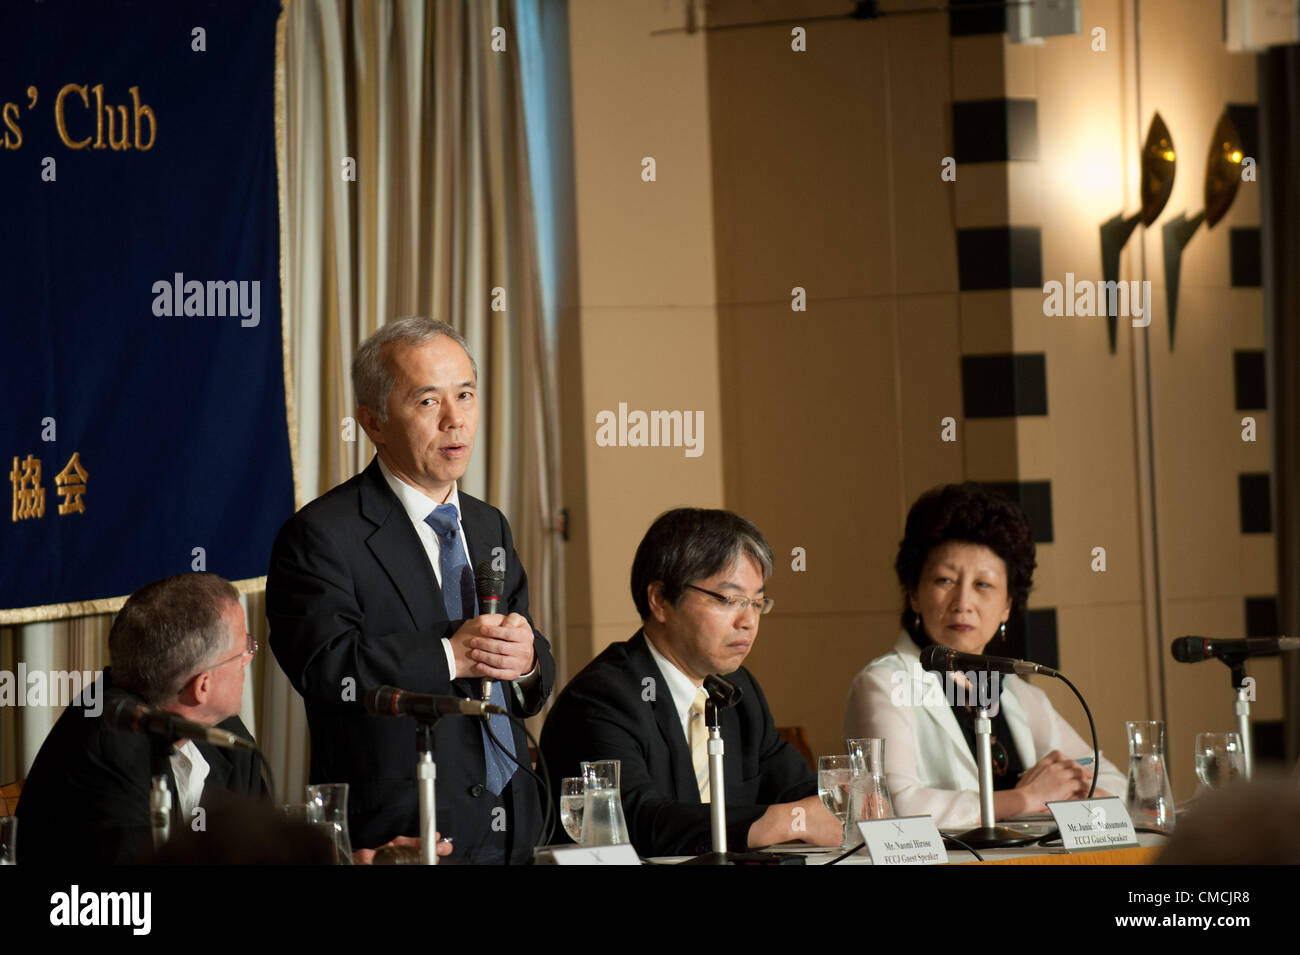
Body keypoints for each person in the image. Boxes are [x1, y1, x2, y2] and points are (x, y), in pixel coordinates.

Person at [267, 317, 554, 863]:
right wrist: (449, 654)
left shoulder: (489, 524)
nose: (455, 420)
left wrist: (528, 661)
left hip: (513, 824)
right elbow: (326, 670)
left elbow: (527, 672)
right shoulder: (322, 535)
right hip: (403, 833)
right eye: (428, 402)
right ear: (372, 422)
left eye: (465, 395)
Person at [540, 508, 840, 857]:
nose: (748, 621)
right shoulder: (601, 698)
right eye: (729, 600)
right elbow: (635, 821)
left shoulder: (737, 691)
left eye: (757, 603)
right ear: (661, 600)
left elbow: (802, 793)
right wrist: (779, 822)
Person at [844, 483, 1125, 829]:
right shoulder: (884, 684)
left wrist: (1070, 790)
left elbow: (1114, 784)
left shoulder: (1020, 695)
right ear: (914, 594)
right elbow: (891, 806)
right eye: (945, 580)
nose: (963, 603)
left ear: (1007, 606)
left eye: (983, 585)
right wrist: (1025, 799)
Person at [17, 573, 267, 864]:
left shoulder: (227, 735)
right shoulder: (111, 744)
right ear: (203, 685)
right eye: (243, 648)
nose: (250, 655)